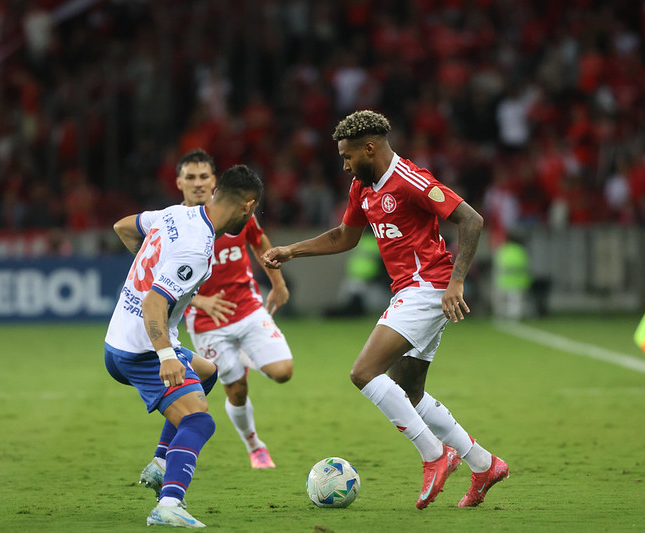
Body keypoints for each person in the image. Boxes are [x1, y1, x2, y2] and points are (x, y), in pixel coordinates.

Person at [262, 110, 509, 509]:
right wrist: (292, 250)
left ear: (370, 148)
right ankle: (484, 464)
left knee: (364, 373)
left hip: (428, 288)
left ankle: (434, 455)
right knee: (409, 392)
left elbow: (471, 219)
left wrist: (457, 280)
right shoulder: (363, 188)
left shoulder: (410, 179)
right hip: (410, 292)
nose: (344, 165)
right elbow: (345, 236)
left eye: (347, 156)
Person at [104, 164, 263, 528]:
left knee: (208, 373)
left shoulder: (176, 214)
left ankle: (161, 463)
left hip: (119, 337)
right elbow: (153, 304)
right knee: (199, 422)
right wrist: (165, 355)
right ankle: (169, 503)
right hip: (142, 349)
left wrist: (152, 269)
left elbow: (124, 226)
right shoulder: (197, 247)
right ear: (247, 206)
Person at [177, 148, 293, 469]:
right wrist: (199, 300)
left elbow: (259, 241)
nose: (198, 183)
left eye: (204, 176)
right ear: (179, 182)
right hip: (206, 321)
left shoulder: (237, 214)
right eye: (191, 177)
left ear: (215, 182)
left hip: (247, 305)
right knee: (237, 390)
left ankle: (245, 354)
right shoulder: (175, 225)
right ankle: (254, 444)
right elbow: (159, 282)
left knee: (283, 372)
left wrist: (279, 283)